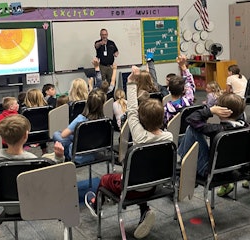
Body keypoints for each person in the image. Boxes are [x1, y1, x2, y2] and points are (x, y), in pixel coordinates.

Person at [85, 66, 173, 239]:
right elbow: (134, 112)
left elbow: (132, 110)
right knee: (141, 173)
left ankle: (96, 205)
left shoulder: (139, 137)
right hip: (155, 185)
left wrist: (131, 82)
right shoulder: (169, 138)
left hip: (131, 189)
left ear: (140, 120)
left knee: (105, 179)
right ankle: (144, 210)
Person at [0, 115, 64, 225]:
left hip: (10, 209)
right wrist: (59, 157)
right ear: (25, 135)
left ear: (3, 137)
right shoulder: (34, 160)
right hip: (35, 206)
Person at [177, 92, 248, 197]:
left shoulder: (217, 130)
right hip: (235, 170)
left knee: (191, 129)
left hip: (212, 173)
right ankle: (182, 164)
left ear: (224, 112)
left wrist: (210, 111)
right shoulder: (248, 129)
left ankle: (182, 166)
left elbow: (191, 119)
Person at [53, 88, 106, 163]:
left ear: (87, 103)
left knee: (57, 134)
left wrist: (72, 131)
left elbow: (63, 135)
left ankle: (64, 156)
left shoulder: (81, 120)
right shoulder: (105, 121)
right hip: (94, 153)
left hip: (77, 157)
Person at [164, 55, 196, 126]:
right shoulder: (188, 100)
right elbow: (190, 83)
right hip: (187, 132)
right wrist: (183, 66)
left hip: (173, 135)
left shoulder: (166, 109)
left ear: (169, 89)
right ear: (183, 90)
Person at [21, 88, 48, 154]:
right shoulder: (47, 109)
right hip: (45, 134)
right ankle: (44, 151)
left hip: (29, 135)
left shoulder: (24, 111)